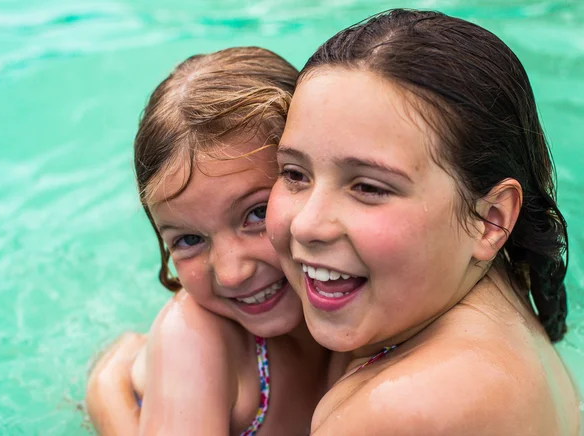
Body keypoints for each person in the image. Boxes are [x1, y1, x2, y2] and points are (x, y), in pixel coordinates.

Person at [267, 9, 580, 435]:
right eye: (294, 174)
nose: (306, 225)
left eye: (369, 188)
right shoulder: (498, 285)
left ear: (490, 219)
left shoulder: (400, 410)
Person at [85, 46, 338, 436]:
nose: (232, 272)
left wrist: (106, 393)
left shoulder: (376, 308)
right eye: (188, 239)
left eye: (255, 214)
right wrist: (106, 396)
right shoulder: (194, 338)